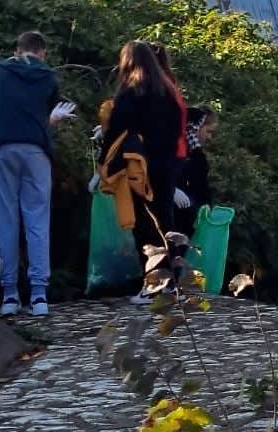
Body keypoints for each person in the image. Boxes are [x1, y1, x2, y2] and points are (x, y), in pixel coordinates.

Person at [0, 31, 77, 317]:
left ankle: (9, 295)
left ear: (17, 50)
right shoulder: (48, 77)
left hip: (1, 149)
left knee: (5, 219)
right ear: (42, 52)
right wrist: (51, 121)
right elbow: (46, 119)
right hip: (37, 152)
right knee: (37, 219)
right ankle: (39, 295)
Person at [99, 41, 187, 305]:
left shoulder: (129, 93)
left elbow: (117, 131)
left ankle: (152, 284)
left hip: (139, 166)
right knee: (165, 221)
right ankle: (172, 280)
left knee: (143, 226)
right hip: (167, 164)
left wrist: (104, 164)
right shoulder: (168, 91)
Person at [174, 106, 218, 237]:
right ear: (197, 128)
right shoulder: (176, 150)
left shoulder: (195, 154)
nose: (209, 137)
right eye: (208, 131)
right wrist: (170, 190)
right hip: (175, 218)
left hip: (190, 218)